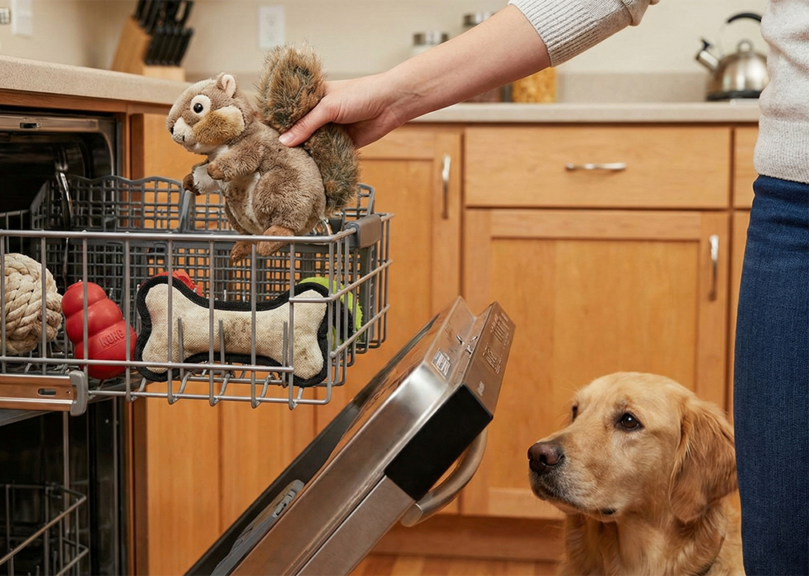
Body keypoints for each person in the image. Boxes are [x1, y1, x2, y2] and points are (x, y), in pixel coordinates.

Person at [279, 1, 809, 574]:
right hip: (793, 194)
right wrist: (397, 93)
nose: (552, 444)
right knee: (781, 534)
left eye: (625, 423)